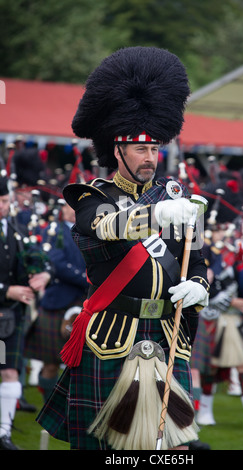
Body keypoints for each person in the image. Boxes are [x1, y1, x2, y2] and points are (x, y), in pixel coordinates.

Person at [36, 46, 210, 451]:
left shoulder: (179, 198)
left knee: (169, 446)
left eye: (155, 149)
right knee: (109, 446)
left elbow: (198, 260)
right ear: (118, 151)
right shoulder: (90, 197)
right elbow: (102, 226)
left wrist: (200, 286)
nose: (151, 158)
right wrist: (157, 216)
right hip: (112, 334)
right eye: (140, 149)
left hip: (167, 334)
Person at [191, 187, 243, 431]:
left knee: (242, 364)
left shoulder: (234, 251)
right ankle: (203, 413)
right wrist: (229, 300)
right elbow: (200, 284)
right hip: (209, 315)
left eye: (226, 227)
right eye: (221, 228)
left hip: (233, 318)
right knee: (207, 369)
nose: (225, 232)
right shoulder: (201, 249)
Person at [0, 176, 52, 450]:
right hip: (6, 307)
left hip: (7, 321)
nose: (3, 206)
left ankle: (3, 433)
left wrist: (43, 273)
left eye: (6, 201)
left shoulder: (14, 228)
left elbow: (34, 255)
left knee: (9, 373)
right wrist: (7, 290)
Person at [24, 200, 88, 402]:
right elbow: (57, 263)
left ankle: (75, 406)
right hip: (58, 302)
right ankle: (49, 406)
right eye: (71, 207)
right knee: (51, 362)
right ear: (63, 208)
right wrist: (87, 279)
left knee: (84, 363)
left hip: (87, 303)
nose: (75, 212)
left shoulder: (91, 233)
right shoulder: (55, 231)